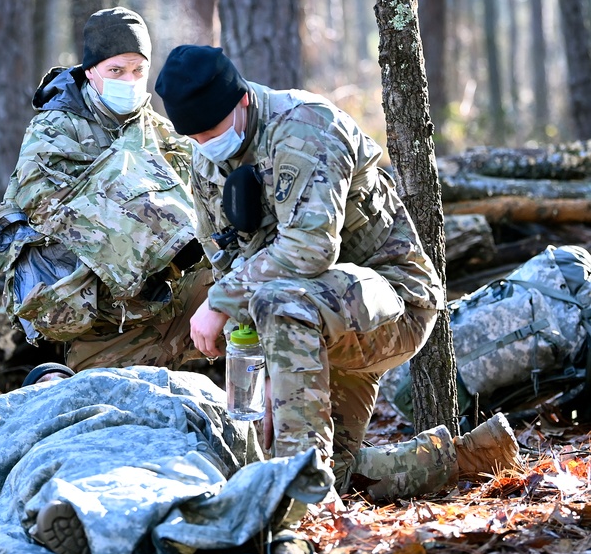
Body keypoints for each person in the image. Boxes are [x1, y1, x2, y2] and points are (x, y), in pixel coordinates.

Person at [154, 45, 520, 499]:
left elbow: (309, 250)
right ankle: (468, 457)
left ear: (243, 100)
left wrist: (220, 302)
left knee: (280, 306)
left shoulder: (306, 127)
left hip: (392, 306)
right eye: (196, 138)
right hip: (310, 321)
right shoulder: (205, 157)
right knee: (339, 473)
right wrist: (261, 361)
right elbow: (226, 257)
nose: (207, 146)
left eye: (214, 132)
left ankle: (298, 498)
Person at [0, 7, 209, 371]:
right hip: (100, 312)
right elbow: (38, 209)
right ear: (91, 72)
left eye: (138, 70)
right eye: (115, 71)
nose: (129, 80)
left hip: (168, 295)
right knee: (101, 407)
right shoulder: (56, 128)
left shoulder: (160, 131)